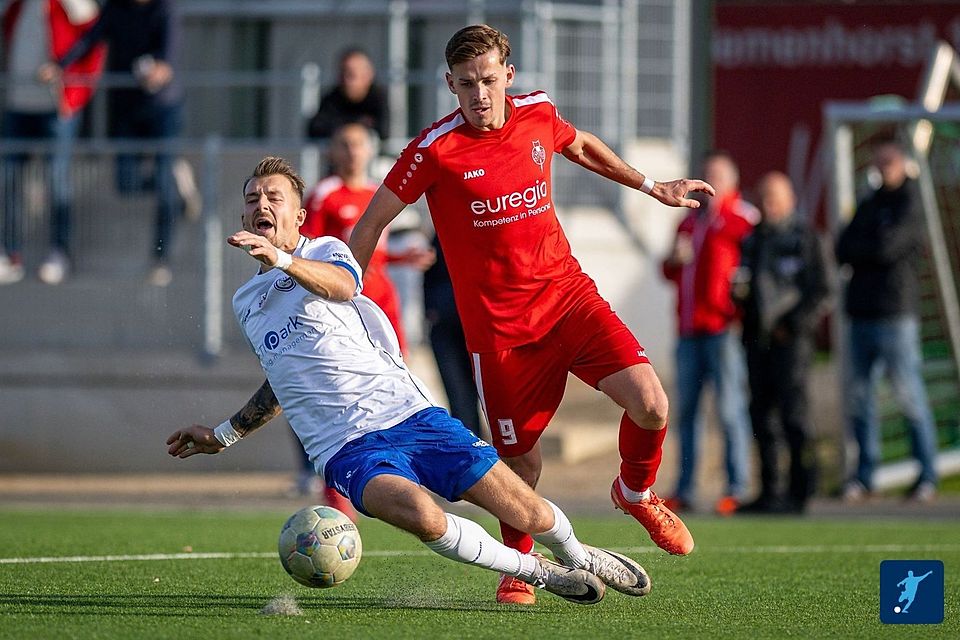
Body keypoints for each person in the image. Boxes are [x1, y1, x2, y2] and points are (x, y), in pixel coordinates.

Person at [165, 156, 652, 606]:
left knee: (530, 512)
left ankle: (578, 554)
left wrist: (282, 260)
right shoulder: (246, 302)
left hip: (408, 413)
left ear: (298, 216)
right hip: (343, 446)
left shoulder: (330, 251)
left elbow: (341, 286)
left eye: (275, 198)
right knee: (423, 516)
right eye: (253, 199)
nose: (261, 206)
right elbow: (283, 380)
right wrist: (223, 435)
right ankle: (537, 572)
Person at [349, 24, 711, 605]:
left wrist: (651, 185)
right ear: (450, 84)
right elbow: (369, 225)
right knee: (522, 464)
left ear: (508, 77)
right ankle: (520, 564)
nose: (479, 95)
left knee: (651, 403)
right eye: (466, 84)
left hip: (569, 299)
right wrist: (346, 293)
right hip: (501, 337)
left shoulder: (538, 112)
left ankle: (636, 493)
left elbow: (582, 145)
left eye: (489, 80)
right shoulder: (433, 150)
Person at [296, 122, 432, 512]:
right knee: (339, 398)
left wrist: (405, 258)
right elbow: (312, 253)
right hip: (345, 310)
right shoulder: (325, 194)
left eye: (359, 143)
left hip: (383, 306)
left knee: (398, 389)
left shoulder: (378, 193)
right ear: (333, 151)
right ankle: (336, 495)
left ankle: (405, 478)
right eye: (344, 143)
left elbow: (374, 254)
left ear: (370, 150)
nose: (353, 151)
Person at [41, 0, 193, 286]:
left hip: (163, 109)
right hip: (127, 109)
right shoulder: (116, 8)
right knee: (125, 181)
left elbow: (168, 57)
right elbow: (89, 39)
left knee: (162, 181)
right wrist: (60, 65)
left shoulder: (165, 9)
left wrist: (159, 72)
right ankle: (176, 182)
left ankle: (160, 260)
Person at [835, 137, 939, 503]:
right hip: (860, 314)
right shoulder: (869, 203)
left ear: (902, 164)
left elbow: (888, 247)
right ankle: (865, 476)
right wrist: (867, 245)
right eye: (878, 164)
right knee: (860, 399)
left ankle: (927, 473)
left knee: (909, 396)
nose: (882, 171)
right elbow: (841, 247)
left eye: (888, 164)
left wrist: (866, 246)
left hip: (896, 315)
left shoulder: (910, 202)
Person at [660, 151, 757, 516]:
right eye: (706, 175)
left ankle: (737, 486)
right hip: (688, 329)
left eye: (716, 175)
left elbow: (753, 272)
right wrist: (673, 260)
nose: (709, 184)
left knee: (730, 409)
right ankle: (685, 487)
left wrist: (740, 311)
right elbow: (668, 272)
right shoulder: (688, 222)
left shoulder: (743, 219)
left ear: (731, 181)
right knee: (687, 412)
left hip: (722, 329)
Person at [733, 172, 830, 514]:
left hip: (793, 344)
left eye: (774, 197)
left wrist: (793, 325)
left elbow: (822, 291)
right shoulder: (753, 238)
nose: (767, 204)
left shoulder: (805, 237)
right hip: (757, 342)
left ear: (790, 199)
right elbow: (744, 284)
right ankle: (770, 491)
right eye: (763, 197)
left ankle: (802, 491)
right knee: (761, 416)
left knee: (794, 416)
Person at [0, 0, 104, 285]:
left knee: (57, 180)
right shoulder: (16, 6)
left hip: (57, 108)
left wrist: (75, 87)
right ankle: (10, 254)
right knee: (7, 177)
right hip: (18, 106)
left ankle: (60, 253)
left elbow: (95, 39)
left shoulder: (73, 4)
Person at [423, 231, 483, 436]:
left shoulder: (488, 229)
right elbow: (429, 273)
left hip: (481, 326)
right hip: (445, 326)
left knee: (497, 402)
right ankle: (473, 456)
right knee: (459, 399)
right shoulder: (440, 233)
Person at [307, 48, 388, 141]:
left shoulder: (378, 98)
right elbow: (315, 129)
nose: (346, 80)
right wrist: (358, 124)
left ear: (368, 75)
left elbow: (384, 132)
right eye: (342, 73)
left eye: (351, 74)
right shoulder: (332, 98)